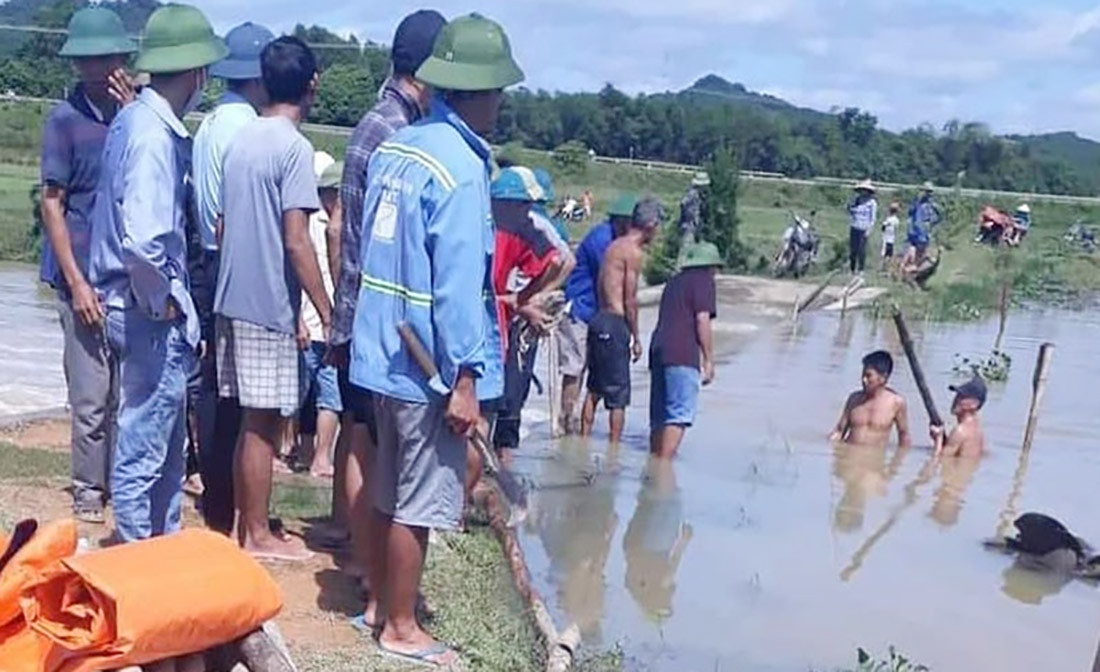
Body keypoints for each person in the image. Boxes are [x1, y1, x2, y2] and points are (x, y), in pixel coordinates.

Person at [349, 14, 521, 666]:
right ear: (477, 91)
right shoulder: (461, 170)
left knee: (388, 489)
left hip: (383, 354)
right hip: (428, 366)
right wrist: (466, 378)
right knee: (418, 504)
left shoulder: (399, 148)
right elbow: (456, 287)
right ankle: (400, 627)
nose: (500, 103)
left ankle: (377, 604)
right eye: (497, 91)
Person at [87, 4, 227, 542]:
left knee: (166, 450)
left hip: (134, 304)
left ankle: (158, 553)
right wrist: (163, 300)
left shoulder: (134, 120)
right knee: (146, 448)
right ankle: (135, 556)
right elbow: (145, 239)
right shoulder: (152, 137)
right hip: (147, 310)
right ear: (197, 73)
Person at [327, 6, 445, 602]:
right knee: (375, 450)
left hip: (356, 307)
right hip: (381, 317)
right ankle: (375, 569)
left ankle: (361, 556)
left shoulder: (373, 121)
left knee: (361, 439)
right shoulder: (400, 134)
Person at [214, 36, 327, 562]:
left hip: (231, 296)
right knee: (262, 423)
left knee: (249, 419)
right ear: (312, 85)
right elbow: (297, 241)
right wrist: (326, 311)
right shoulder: (294, 148)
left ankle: (247, 524)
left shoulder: (242, 138)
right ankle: (257, 534)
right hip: (265, 302)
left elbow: (221, 224)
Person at [39, 6, 136, 524]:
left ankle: (120, 480)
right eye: (89, 61)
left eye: (107, 59)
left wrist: (134, 114)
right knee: (91, 392)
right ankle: (87, 490)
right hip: (80, 269)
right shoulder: (65, 121)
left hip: (126, 272)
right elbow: (52, 203)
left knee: (126, 392)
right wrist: (76, 282)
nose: (99, 70)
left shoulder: (135, 117)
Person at [191, 20, 275, 535]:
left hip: (207, 256)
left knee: (213, 381)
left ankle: (217, 494)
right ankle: (232, 502)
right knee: (240, 392)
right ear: (260, 78)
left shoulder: (209, 123)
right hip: (234, 259)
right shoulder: (247, 129)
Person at [489, 167, 570, 456]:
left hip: (500, 321)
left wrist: (521, 300)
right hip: (498, 324)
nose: (529, 212)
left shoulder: (517, 228)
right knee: (505, 396)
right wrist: (524, 301)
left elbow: (558, 262)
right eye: (526, 205)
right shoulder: (528, 228)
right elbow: (560, 263)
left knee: (497, 400)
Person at [582, 197, 662, 443]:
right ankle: (614, 452)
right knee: (618, 396)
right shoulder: (633, 253)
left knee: (594, 389)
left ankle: (582, 442)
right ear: (650, 225)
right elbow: (630, 299)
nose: (658, 233)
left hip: (598, 320)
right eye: (658, 226)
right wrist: (636, 337)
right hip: (615, 323)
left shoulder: (613, 246)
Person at [558, 193, 636, 435]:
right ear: (623, 222)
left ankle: (575, 426)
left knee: (594, 371)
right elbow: (612, 283)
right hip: (580, 309)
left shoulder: (614, 241)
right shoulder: (602, 240)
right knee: (575, 367)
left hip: (596, 315)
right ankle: (566, 420)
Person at [648, 241, 721, 459]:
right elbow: (702, 319)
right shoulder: (704, 281)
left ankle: (653, 463)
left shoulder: (673, 282)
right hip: (682, 354)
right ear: (711, 266)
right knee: (678, 415)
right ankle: (664, 467)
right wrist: (708, 359)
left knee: (659, 416)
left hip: (658, 350)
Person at [298, 154, 344, 479]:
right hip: (308, 320)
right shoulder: (308, 224)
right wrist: (297, 320)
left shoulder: (342, 227)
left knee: (330, 395)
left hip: (331, 327)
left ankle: (321, 456)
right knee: (298, 395)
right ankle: (299, 452)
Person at [830, 350, 911, 448]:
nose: (864, 380)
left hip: (875, 456)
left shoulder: (896, 403)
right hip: (848, 454)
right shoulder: (854, 399)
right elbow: (839, 431)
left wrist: (900, 457)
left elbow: (904, 436)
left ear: (883, 377)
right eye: (863, 375)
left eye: (868, 376)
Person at [931, 376, 986, 458]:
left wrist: (938, 440)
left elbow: (939, 461)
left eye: (962, 397)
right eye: (957, 395)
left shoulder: (960, 431)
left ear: (974, 404)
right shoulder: (977, 431)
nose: (955, 400)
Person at [847, 179, 877, 275]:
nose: (863, 191)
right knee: (853, 249)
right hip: (854, 226)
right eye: (862, 189)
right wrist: (850, 208)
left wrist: (869, 230)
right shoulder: (856, 200)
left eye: (865, 190)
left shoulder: (872, 202)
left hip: (864, 228)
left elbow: (872, 218)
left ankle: (861, 269)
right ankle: (852, 268)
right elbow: (851, 211)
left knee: (861, 249)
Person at [908, 181, 941, 254]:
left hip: (928, 225)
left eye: (930, 192)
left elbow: (937, 214)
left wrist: (934, 222)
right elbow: (911, 212)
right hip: (919, 226)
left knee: (926, 244)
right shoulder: (918, 202)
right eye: (927, 191)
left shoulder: (932, 203)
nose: (929, 194)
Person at [881, 201, 900, 268]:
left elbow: (883, 228)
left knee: (884, 254)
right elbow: (896, 229)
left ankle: (884, 267)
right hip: (892, 239)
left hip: (886, 239)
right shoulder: (896, 220)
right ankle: (888, 267)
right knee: (890, 255)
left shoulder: (888, 219)